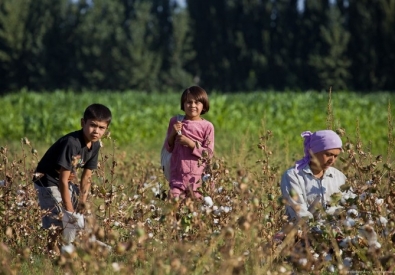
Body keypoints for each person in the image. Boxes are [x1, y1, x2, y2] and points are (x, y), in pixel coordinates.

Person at [33, 103, 112, 253]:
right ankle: (52, 254)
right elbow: (62, 179)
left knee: (81, 215)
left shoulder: (95, 145)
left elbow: (86, 177)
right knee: (57, 219)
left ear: (106, 129)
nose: (96, 131)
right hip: (47, 181)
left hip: (64, 181)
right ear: (83, 123)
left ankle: (71, 248)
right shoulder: (72, 143)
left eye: (101, 128)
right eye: (93, 125)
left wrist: (81, 203)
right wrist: (68, 210)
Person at [280, 130, 347, 221]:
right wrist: (320, 231)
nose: (332, 160)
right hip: (304, 233)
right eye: (328, 154)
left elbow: (350, 205)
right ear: (313, 152)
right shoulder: (293, 176)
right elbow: (299, 212)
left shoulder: (339, 177)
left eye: (335, 156)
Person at [164, 86, 215, 200]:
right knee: (173, 203)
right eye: (189, 102)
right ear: (183, 104)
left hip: (197, 179)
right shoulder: (176, 121)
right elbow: (168, 147)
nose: (192, 105)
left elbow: (208, 154)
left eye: (197, 102)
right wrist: (173, 133)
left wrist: (191, 144)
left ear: (204, 105)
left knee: (196, 209)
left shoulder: (207, 126)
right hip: (177, 176)